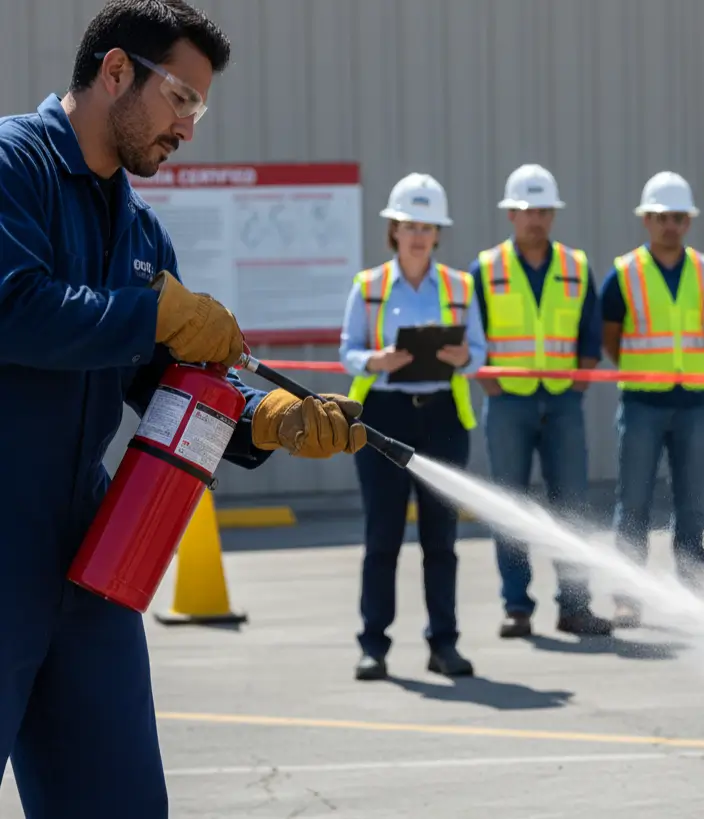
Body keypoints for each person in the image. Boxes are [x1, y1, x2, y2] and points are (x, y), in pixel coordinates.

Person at [0, 2, 367, 817]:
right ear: (117, 70)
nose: (190, 128)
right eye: (182, 99)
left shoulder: (140, 231)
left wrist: (267, 417)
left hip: (87, 560)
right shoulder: (10, 166)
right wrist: (154, 315)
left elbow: (167, 382)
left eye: (200, 108)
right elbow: (12, 307)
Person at [342, 172, 487, 680]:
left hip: (443, 417)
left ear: (438, 233)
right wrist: (374, 360)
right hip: (384, 416)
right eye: (410, 225)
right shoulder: (369, 285)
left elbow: (479, 353)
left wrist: (466, 355)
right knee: (382, 537)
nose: (419, 235)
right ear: (394, 231)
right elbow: (348, 350)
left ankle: (443, 644)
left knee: (440, 540)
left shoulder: (460, 286)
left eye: (428, 226)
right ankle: (374, 646)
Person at [469, 163, 613, 639]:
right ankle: (517, 606)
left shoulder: (576, 266)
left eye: (543, 210)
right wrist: (491, 387)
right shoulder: (486, 269)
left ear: (554, 215)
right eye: (527, 210)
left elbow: (590, 338)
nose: (535, 218)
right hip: (507, 404)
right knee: (510, 506)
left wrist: (577, 386)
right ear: (510, 214)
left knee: (570, 505)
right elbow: (474, 340)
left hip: (563, 404)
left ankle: (575, 606)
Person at [601, 171, 704, 628]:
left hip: (693, 401)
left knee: (692, 502)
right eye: (661, 218)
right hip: (641, 402)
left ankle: (693, 592)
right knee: (632, 502)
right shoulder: (623, 273)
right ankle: (627, 595)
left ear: (687, 222)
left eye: (677, 218)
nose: (670, 225)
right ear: (646, 221)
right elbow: (610, 337)